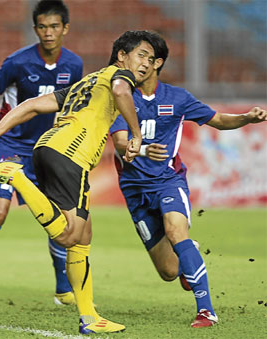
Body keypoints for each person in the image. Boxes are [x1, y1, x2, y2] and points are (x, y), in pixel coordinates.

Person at [0, 30, 163, 334]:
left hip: (49, 147)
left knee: (83, 236)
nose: (147, 65)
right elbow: (123, 92)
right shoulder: (119, 77)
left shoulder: (88, 82)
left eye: (151, 60)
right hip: (72, 154)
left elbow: (32, 105)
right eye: (141, 55)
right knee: (68, 236)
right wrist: (137, 134)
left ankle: (89, 318)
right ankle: (14, 176)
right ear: (122, 55)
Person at [108, 31, 267, 328]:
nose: (141, 63)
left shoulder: (178, 98)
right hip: (134, 191)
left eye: (147, 58)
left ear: (158, 63)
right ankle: (187, 254)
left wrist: (246, 117)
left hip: (168, 181)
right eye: (137, 56)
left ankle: (206, 310)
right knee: (168, 271)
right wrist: (142, 148)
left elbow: (218, 120)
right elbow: (119, 142)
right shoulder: (120, 97)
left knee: (175, 229)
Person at [0, 0, 83, 307]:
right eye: (42, 26)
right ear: (34, 28)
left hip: (46, 150)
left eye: (54, 26)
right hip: (8, 146)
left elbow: (74, 107)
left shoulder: (75, 65)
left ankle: (62, 288)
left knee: (58, 220)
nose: (48, 33)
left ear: (65, 28)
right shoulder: (17, 62)